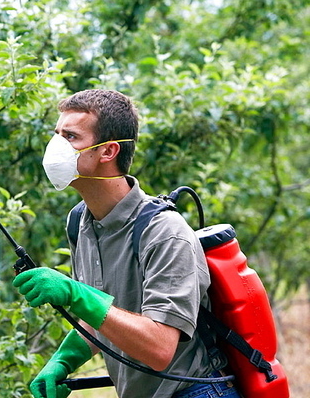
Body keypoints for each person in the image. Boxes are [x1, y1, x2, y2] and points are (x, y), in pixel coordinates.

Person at [13, 90, 241, 398]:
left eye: (70, 136)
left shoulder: (165, 232)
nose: (56, 147)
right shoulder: (79, 221)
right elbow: (106, 316)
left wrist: (74, 292)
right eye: (57, 134)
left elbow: (159, 349)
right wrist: (62, 361)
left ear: (108, 151)